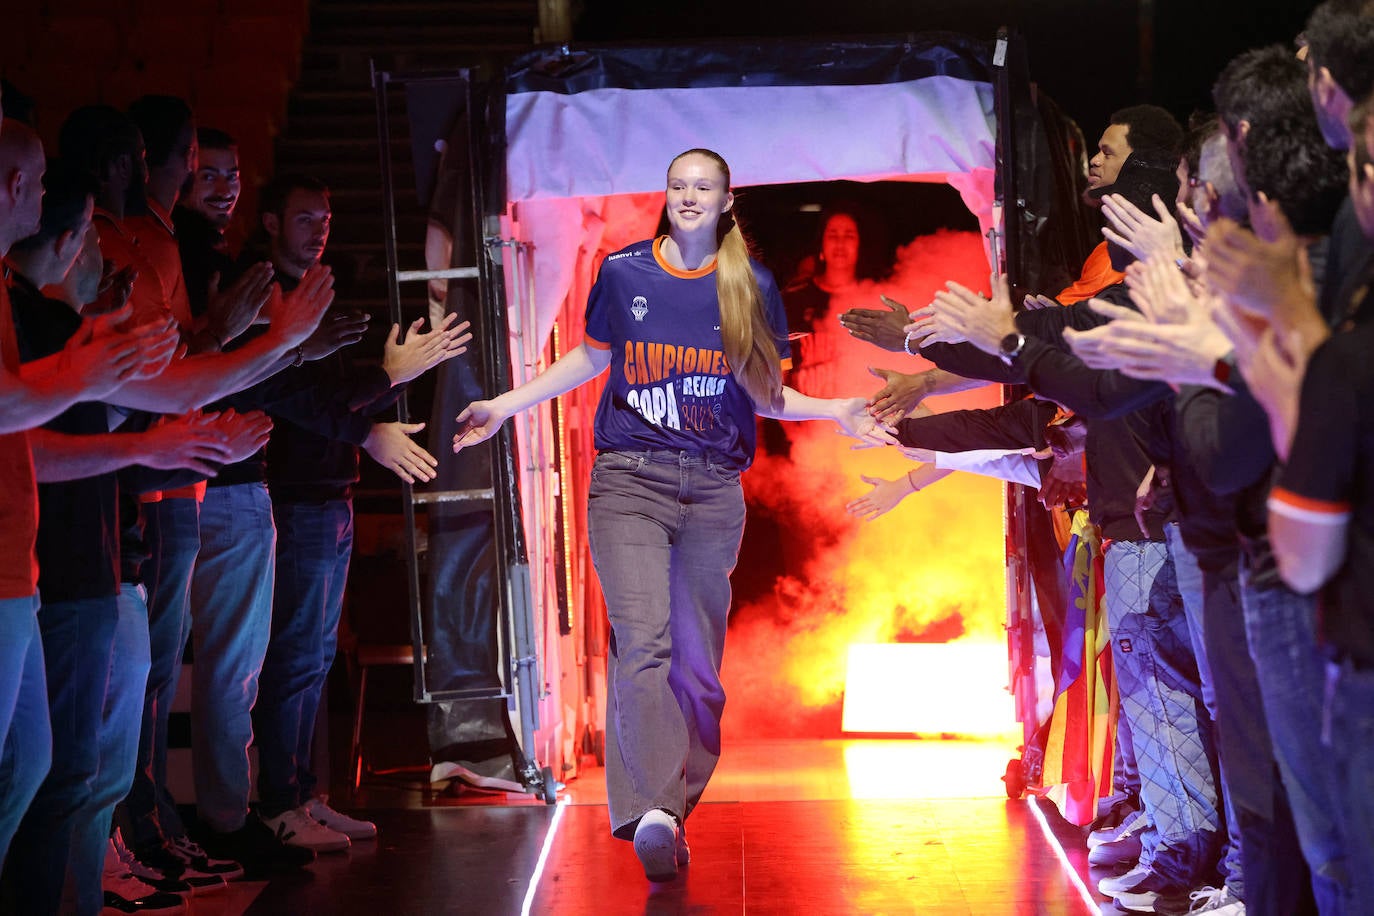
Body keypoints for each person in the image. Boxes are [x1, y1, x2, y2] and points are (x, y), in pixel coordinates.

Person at [452, 148, 891, 882]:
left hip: (714, 489)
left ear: (726, 201)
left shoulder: (749, 283)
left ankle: (669, 807)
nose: (689, 197)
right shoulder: (624, 272)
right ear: (667, 196)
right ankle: (653, 812)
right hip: (630, 481)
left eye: (704, 188)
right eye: (678, 186)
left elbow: (766, 394)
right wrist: (505, 403)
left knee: (697, 672)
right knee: (644, 642)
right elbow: (590, 360)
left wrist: (840, 409)